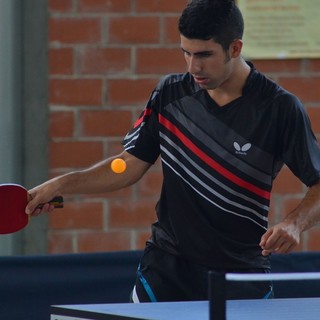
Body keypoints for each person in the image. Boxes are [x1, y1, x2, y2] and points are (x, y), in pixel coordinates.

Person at [26, 0, 320, 302]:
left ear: (235, 48)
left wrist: (294, 223)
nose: (194, 67)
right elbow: (127, 165)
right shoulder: (169, 93)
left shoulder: (279, 109)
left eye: (205, 54)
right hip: (166, 270)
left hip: (241, 274)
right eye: (186, 53)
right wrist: (60, 184)